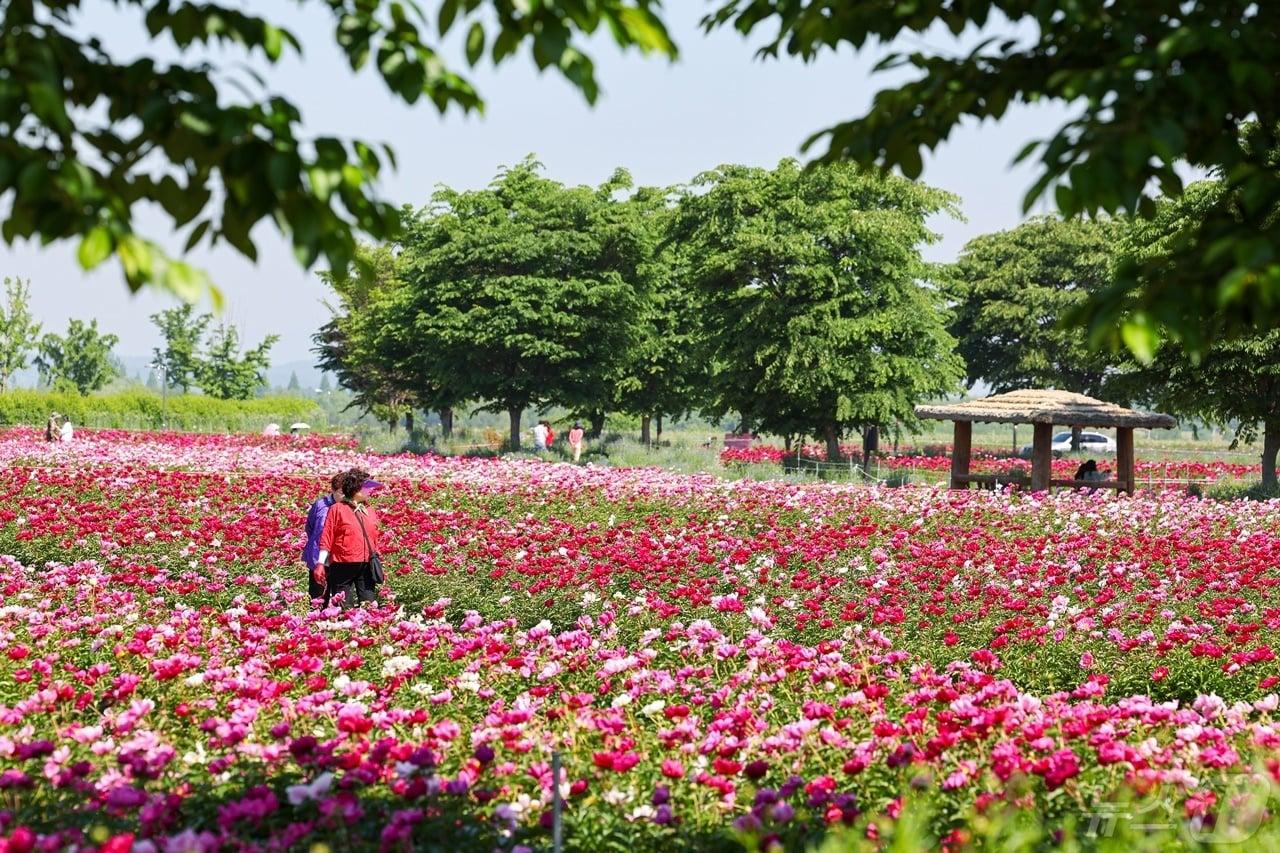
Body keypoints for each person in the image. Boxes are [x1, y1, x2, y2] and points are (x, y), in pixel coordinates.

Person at [315, 470, 384, 609]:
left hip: (366, 563)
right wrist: (321, 563)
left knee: (369, 604)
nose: (369, 491)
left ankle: (369, 628)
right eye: (366, 487)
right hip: (343, 563)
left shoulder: (369, 510)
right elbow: (327, 537)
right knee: (343, 605)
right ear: (355, 489)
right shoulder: (337, 509)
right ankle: (345, 627)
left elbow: (374, 536)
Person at [303, 473, 344, 601]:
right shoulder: (320, 505)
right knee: (318, 597)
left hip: (339, 558)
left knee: (339, 596)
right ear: (333, 490)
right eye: (341, 493)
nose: (343, 497)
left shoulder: (348, 507)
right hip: (318, 556)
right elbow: (310, 527)